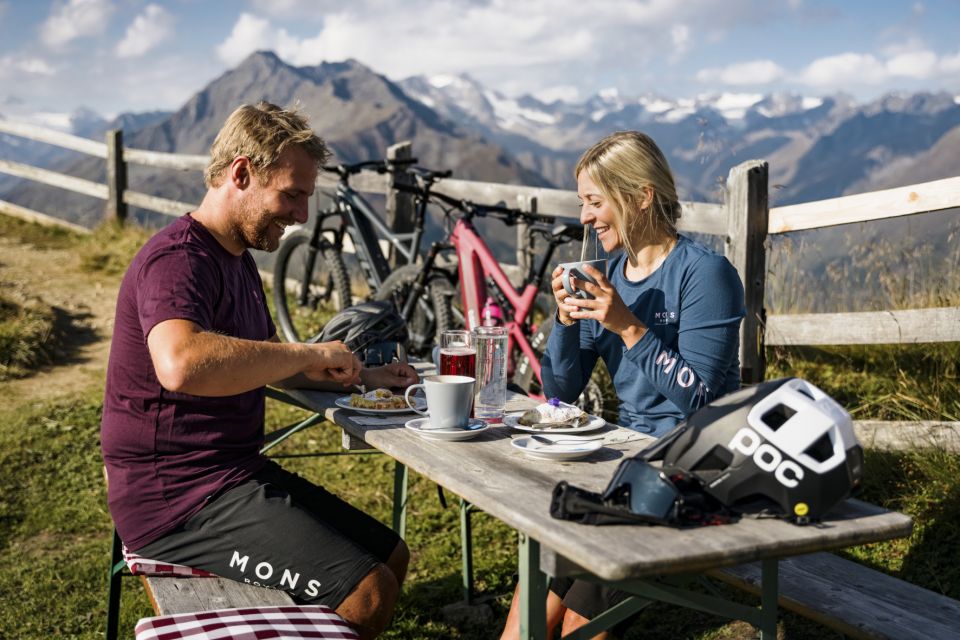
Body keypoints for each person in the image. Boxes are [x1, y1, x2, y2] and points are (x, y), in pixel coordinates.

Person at [101, 102, 418, 640]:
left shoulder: (237, 259)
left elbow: (262, 359)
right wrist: (311, 353)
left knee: (392, 553)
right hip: (176, 498)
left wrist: (362, 375)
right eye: (291, 194)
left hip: (228, 474)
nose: (301, 215)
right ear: (241, 173)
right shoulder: (176, 260)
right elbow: (182, 363)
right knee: (368, 591)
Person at [500, 131, 745, 639]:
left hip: (696, 467)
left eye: (595, 202)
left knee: (575, 625)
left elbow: (703, 400)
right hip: (623, 460)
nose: (585, 218)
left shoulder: (706, 275)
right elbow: (561, 391)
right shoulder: (603, 274)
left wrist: (629, 327)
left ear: (639, 196)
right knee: (529, 615)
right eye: (582, 204)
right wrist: (565, 322)